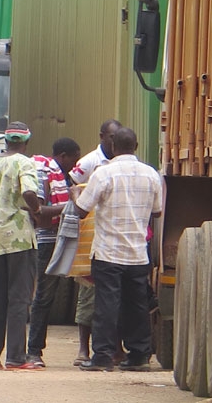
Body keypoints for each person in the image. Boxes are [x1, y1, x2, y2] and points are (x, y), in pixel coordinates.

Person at [74, 126, 163, 372]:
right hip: (137, 253)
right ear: (136, 146)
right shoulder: (151, 174)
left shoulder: (104, 174)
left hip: (108, 252)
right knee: (137, 306)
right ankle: (139, 356)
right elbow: (157, 211)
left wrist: (74, 195)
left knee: (106, 305)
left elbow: (82, 210)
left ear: (113, 147)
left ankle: (103, 356)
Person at [0, 122, 43, 371]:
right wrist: (37, 210)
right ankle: (16, 356)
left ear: (5, 141)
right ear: (26, 142)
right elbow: (29, 193)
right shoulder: (25, 163)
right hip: (19, 238)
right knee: (19, 298)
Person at [25, 137, 81, 368]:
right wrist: (72, 206)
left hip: (61, 237)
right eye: (73, 160)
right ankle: (33, 351)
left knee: (49, 296)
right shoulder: (44, 173)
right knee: (44, 297)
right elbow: (39, 213)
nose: (74, 165)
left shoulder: (61, 176)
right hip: (47, 241)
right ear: (63, 156)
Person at [69, 118, 121, 366]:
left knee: (113, 297)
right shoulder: (89, 162)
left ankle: (115, 348)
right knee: (88, 294)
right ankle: (83, 348)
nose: (115, 142)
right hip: (91, 235)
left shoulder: (123, 161)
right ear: (102, 137)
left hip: (114, 235)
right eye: (112, 137)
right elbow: (73, 189)